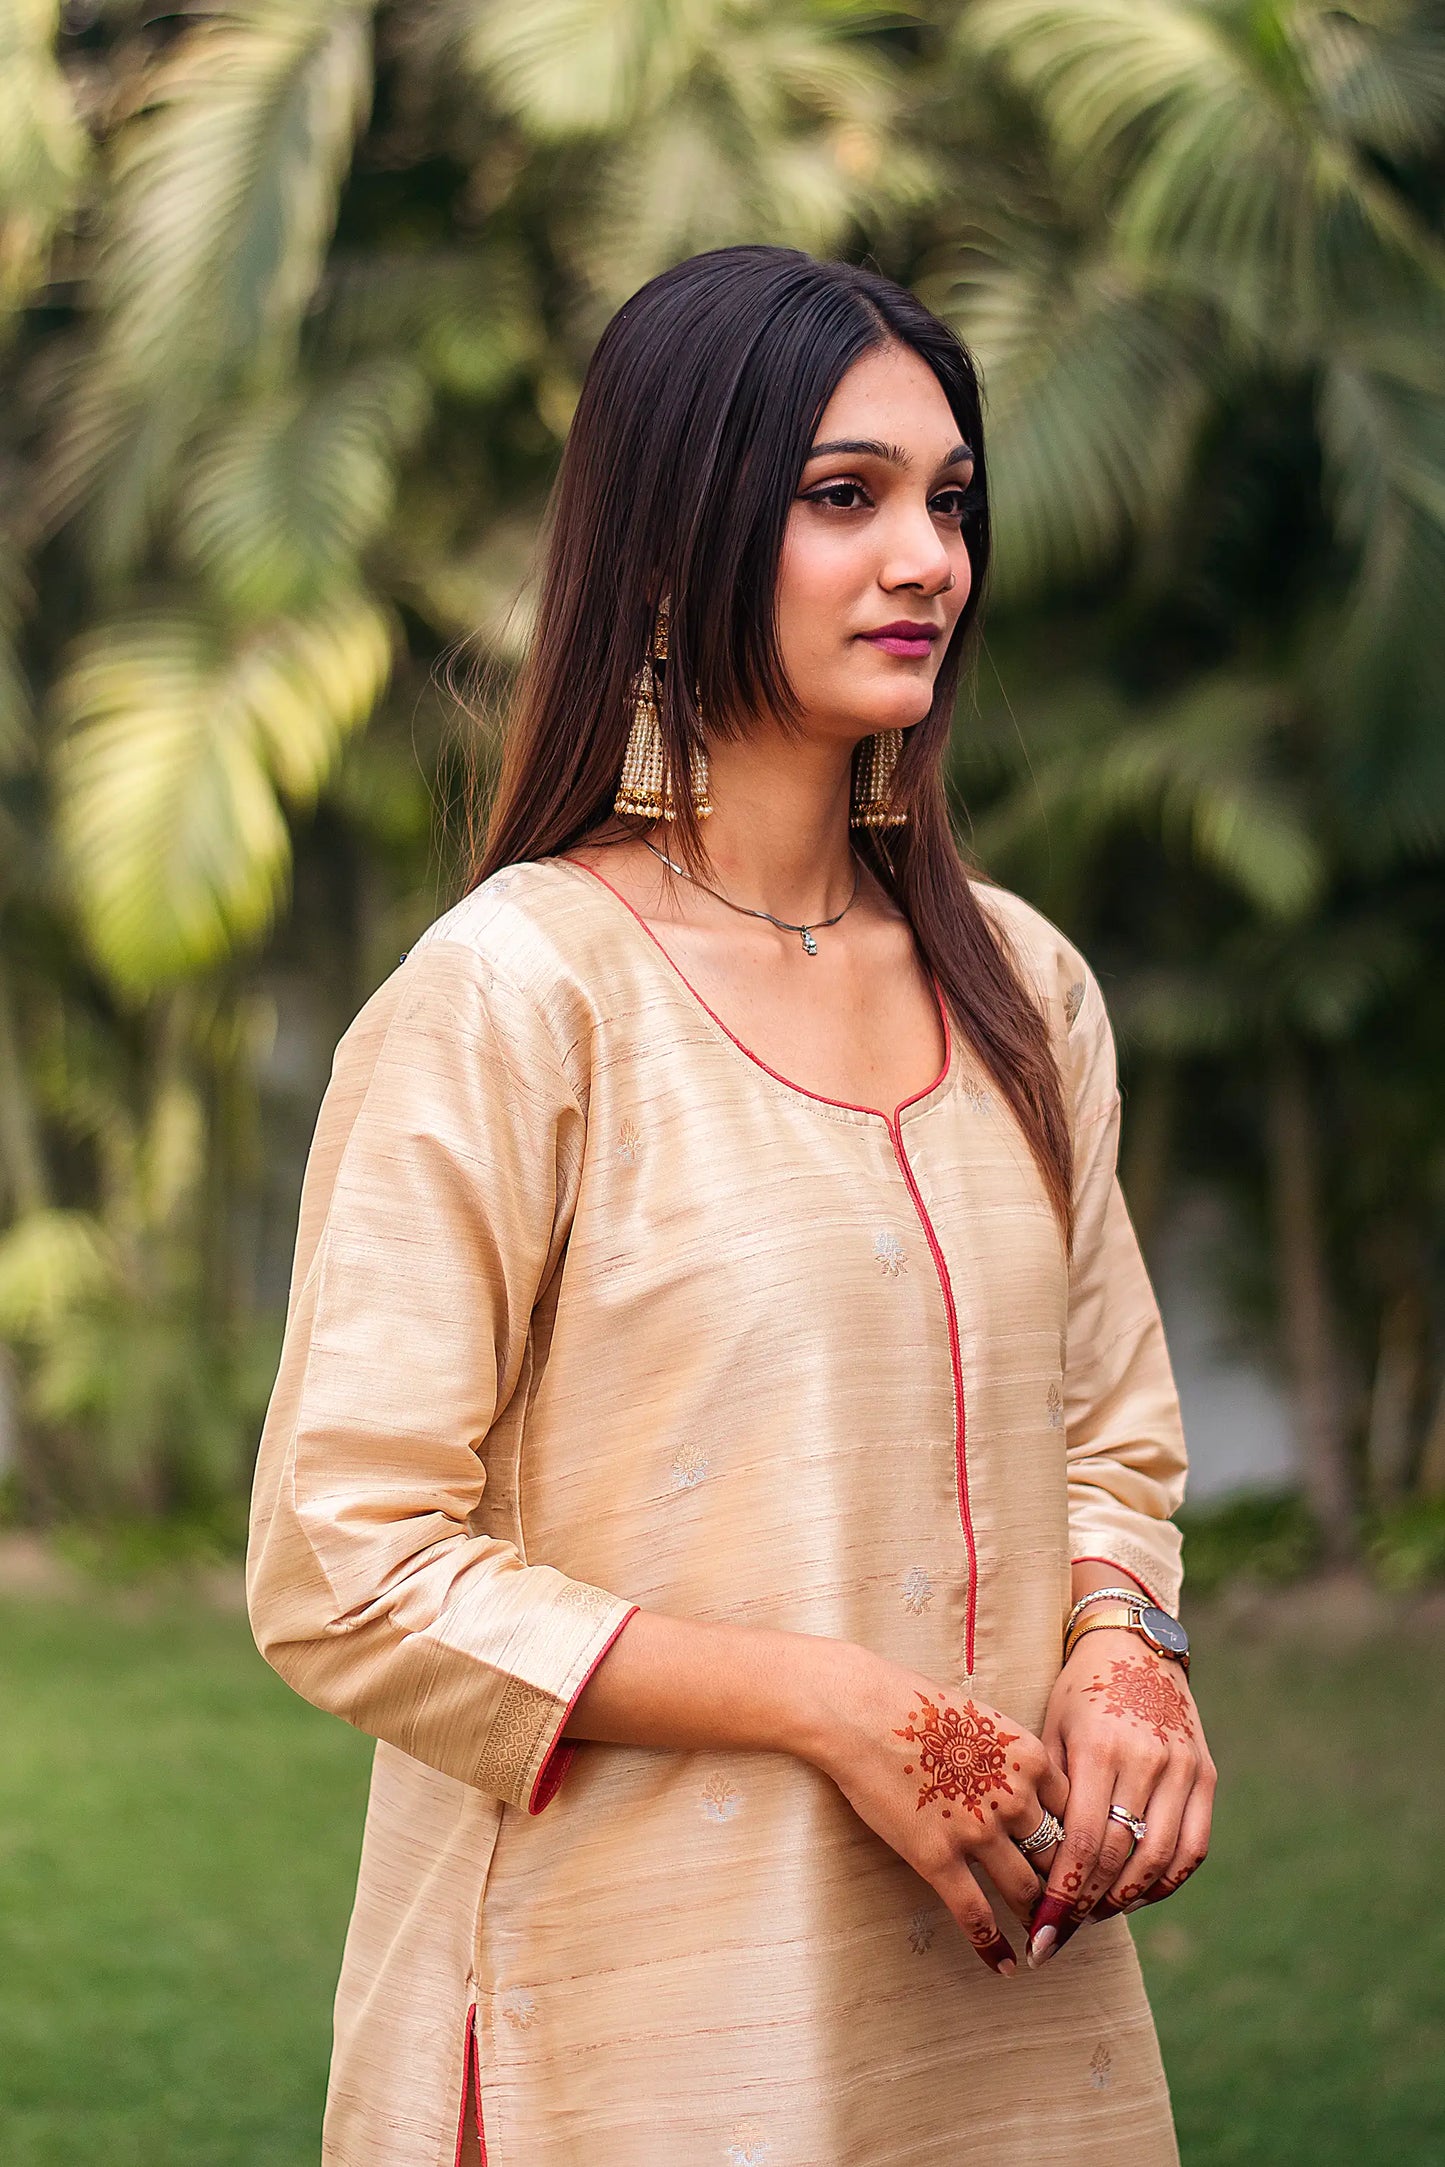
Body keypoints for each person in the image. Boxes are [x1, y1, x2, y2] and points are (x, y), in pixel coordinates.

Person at [247, 244, 1214, 2167]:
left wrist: (1124, 1654)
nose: (928, 555)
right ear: (683, 538)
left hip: (1008, 2033)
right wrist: (835, 1709)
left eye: (949, 499)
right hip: (630, 2032)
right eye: (842, 497)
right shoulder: (522, 994)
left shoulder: (1021, 986)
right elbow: (344, 1564)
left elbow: (1111, 1440)